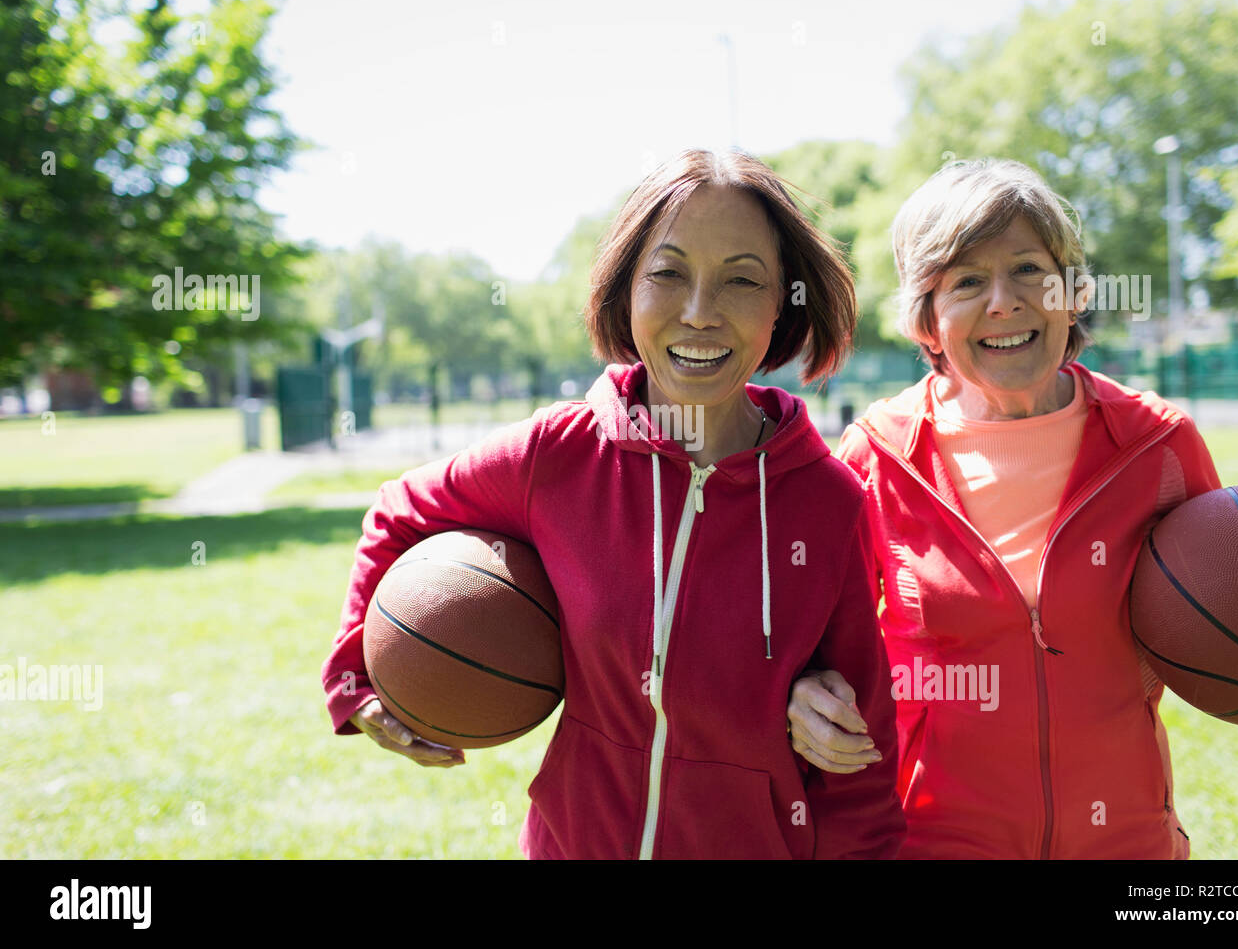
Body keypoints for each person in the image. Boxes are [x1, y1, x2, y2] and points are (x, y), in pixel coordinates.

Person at [322, 149, 906, 859]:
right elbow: (399, 511)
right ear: (625, 289)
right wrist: (357, 675)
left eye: (742, 280)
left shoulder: (828, 502)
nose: (699, 313)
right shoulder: (556, 455)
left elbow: (860, 764)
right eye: (668, 274)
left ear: (785, 301)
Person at [786, 157, 1238, 859]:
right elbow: (802, 643)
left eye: (1029, 270)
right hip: (933, 843)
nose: (1005, 301)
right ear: (927, 321)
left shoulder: (1157, 444)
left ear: (1070, 292)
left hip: (1128, 843)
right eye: (967, 281)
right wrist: (803, 696)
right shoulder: (878, 457)